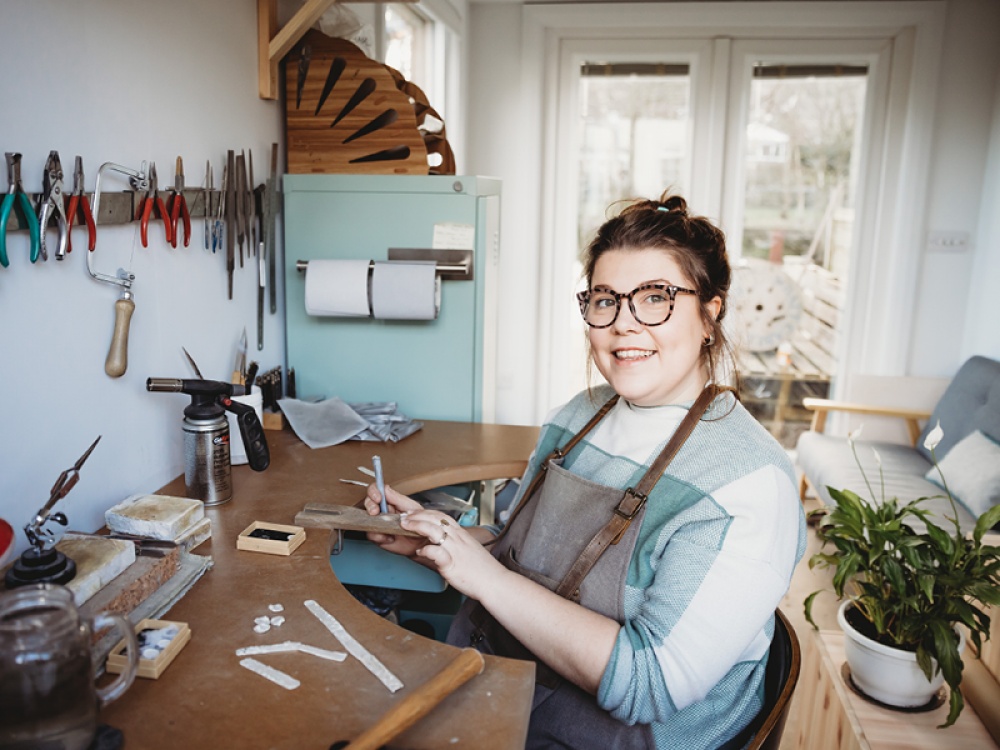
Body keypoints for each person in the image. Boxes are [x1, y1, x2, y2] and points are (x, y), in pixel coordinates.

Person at [365, 193, 806, 749]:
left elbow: (651, 683)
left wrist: (485, 578)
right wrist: (441, 541)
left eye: (655, 299)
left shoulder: (749, 483)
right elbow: (516, 547)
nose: (623, 325)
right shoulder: (577, 416)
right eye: (605, 300)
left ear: (710, 314)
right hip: (500, 686)